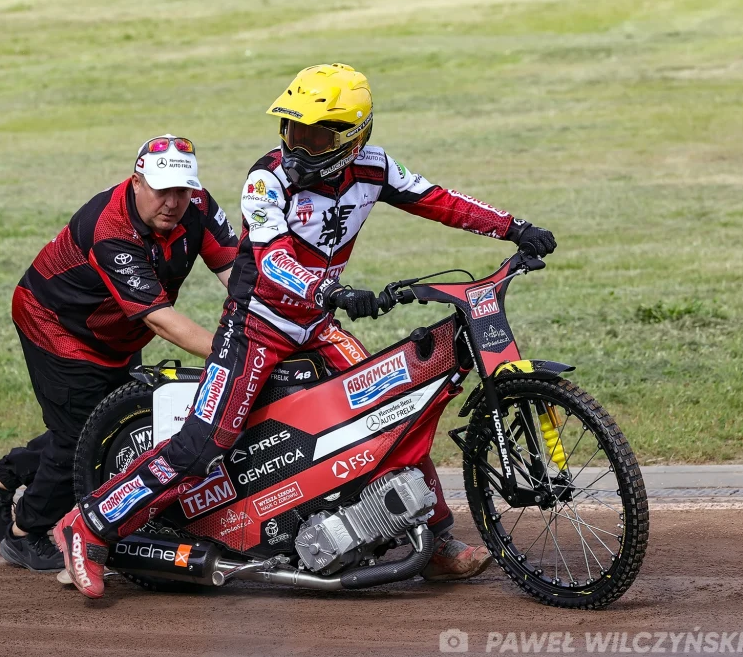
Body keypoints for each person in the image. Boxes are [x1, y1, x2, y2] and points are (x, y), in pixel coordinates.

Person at [53, 64, 558, 598]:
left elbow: (439, 199)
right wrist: (332, 293)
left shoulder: (376, 167)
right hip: (256, 327)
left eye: (316, 134)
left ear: (353, 135)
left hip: (316, 326)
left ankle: (432, 539)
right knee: (204, 444)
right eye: (293, 129)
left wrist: (514, 227)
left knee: (400, 411)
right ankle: (87, 526)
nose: (299, 144)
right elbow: (271, 262)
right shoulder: (265, 179)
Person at [0, 135, 238, 571]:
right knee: (78, 438)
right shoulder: (110, 230)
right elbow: (160, 319)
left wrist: (275, 319)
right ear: (137, 182)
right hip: (56, 324)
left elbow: (237, 272)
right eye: (161, 189)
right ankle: (25, 531)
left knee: (106, 422)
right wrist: (234, 354)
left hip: (116, 331)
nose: (172, 201)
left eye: (181, 190)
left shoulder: (197, 205)